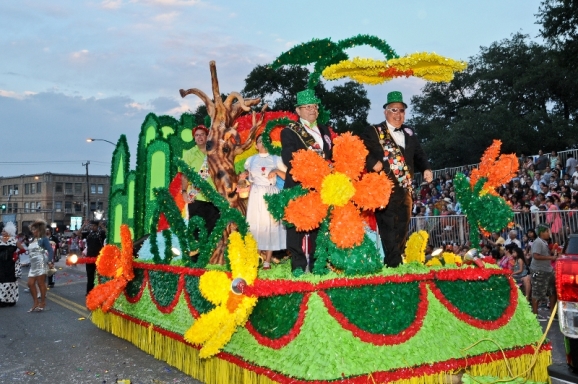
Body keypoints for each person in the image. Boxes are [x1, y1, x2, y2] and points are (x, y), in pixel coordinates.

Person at [359, 91, 432, 267]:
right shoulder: (374, 131)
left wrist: (426, 168)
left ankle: (395, 260)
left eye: (401, 110)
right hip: (384, 187)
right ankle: (394, 264)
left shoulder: (409, 132)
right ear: (385, 111)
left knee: (403, 226)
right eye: (393, 110)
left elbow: (419, 154)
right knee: (388, 227)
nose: (398, 114)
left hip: (405, 187)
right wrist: (372, 162)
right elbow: (361, 150)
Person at [281, 89, 333, 276]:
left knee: (321, 226)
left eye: (315, 106)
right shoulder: (289, 131)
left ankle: (319, 264)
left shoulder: (325, 129)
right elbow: (289, 157)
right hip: (299, 185)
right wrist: (311, 169)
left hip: (321, 187)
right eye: (308, 107)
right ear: (298, 110)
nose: (313, 110)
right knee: (296, 227)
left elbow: (331, 156)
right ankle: (298, 266)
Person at [240, 134, 287, 270]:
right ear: (256, 145)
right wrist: (244, 178)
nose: (263, 144)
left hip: (271, 194)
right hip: (255, 195)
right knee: (255, 225)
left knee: (271, 225)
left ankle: (267, 260)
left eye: (266, 141)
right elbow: (247, 178)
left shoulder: (276, 159)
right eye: (260, 141)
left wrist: (277, 171)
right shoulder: (251, 160)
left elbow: (288, 176)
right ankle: (257, 257)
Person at [180, 125, 221, 243]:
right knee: (195, 230)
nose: (199, 137)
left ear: (207, 136)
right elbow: (184, 175)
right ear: (194, 138)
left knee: (213, 229)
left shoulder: (214, 152)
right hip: (196, 196)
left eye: (202, 134)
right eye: (197, 135)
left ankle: (211, 257)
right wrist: (183, 192)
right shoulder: (189, 154)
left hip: (214, 196)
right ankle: (195, 258)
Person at [530, 224, 558, 321]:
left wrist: (552, 252)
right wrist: (551, 257)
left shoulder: (544, 242)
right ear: (542, 233)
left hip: (548, 270)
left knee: (552, 292)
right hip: (539, 270)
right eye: (547, 231)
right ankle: (535, 314)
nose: (549, 233)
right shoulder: (538, 242)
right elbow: (536, 256)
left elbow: (543, 254)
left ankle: (552, 314)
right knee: (537, 292)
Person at [27, 219, 54, 312]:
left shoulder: (43, 239)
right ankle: (35, 302)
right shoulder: (32, 239)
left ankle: (42, 302)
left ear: (39, 230)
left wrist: (50, 261)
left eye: (34, 229)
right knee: (30, 283)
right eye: (32, 229)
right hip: (33, 265)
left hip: (41, 263)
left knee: (40, 283)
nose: (33, 231)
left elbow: (50, 250)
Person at [0, 222, 26, 307]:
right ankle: (2, 300)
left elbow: (23, 249)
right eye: (2, 231)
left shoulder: (14, 241)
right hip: (1, 264)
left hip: (11, 265)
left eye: (4, 231)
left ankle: (11, 300)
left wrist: (16, 254)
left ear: (9, 232)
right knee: (1, 281)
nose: (2, 232)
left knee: (11, 282)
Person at [79, 220, 106, 295]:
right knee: (90, 276)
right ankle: (89, 292)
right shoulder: (88, 234)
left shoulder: (101, 233)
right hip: (89, 258)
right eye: (92, 226)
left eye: (94, 226)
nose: (93, 227)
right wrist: (83, 226)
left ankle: (98, 292)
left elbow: (109, 233)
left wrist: (102, 226)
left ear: (97, 226)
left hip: (98, 258)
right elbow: (78, 233)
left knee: (99, 277)